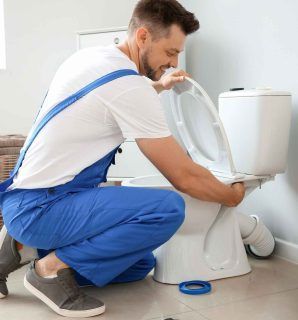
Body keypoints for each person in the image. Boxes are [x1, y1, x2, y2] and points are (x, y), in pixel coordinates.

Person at [0, 0, 245, 317]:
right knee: (167, 210)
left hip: (26, 198)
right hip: (42, 207)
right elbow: (183, 177)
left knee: (139, 264)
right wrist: (231, 196)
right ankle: (48, 269)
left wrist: (157, 86)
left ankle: (18, 248)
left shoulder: (93, 59)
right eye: (170, 52)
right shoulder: (129, 86)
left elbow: (112, 99)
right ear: (143, 36)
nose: (172, 63)